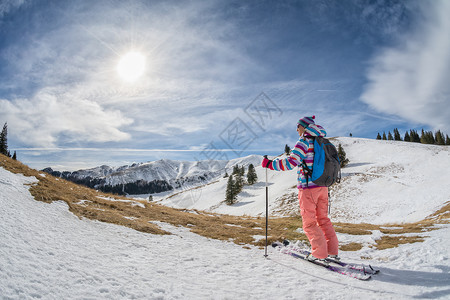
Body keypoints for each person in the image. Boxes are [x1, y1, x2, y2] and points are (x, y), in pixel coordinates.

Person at [262, 115, 339, 262]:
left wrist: (270, 164)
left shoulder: (304, 141)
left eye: (298, 126)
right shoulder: (322, 141)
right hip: (323, 186)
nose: (296, 129)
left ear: (304, 127)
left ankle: (319, 254)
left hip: (308, 188)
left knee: (309, 223)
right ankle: (332, 251)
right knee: (323, 219)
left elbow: (291, 162)